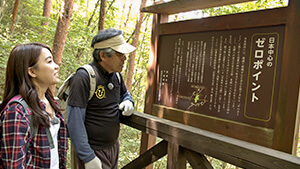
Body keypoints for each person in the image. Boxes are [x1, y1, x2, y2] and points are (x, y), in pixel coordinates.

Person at [67, 28, 135, 169]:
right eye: (120, 54)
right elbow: (75, 122)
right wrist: (88, 157)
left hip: (112, 147)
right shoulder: (84, 77)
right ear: (103, 55)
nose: (125, 58)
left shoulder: (116, 76)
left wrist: (128, 101)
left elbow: (125, 94)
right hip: (92, 150)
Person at [0, 42, 68, 168]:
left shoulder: (50, 102)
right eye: (49, 61)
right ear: (32, 71)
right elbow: (14, 164)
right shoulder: (16, 111)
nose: (56, 66)